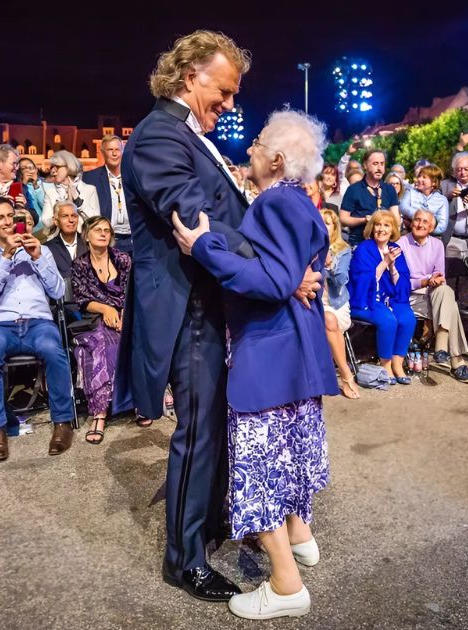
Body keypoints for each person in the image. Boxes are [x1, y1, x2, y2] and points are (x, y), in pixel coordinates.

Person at [113, 30, 282, 605]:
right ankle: (184, 561)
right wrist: (272, 254)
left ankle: (210, 528)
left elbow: (223, 210)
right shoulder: (159, 133)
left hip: (211, 302)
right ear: (191, 77)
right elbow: (192, 217)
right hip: (188, 309)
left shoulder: (187, 133)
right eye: (226, 91)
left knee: (214, 426)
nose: (231, 105)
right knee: (199, 431)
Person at [170, 109, 337, 620]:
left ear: (278, 159)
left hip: (270, 353)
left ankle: (286, 586)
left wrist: (204, 249)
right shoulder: (293, 201)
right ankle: (299, 535)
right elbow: (298, 273)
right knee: (287, 455)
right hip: (289, 350)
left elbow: (273, 280)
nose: (250, 150)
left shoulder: (277, 202)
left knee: (261, 468)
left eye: (259, 143)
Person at [0, 197, 76, 459]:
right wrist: (6, 256)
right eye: (1, 218)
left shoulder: (41, 249)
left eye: (11, 216)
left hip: (38, 322)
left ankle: (62, 423)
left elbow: (59, 291)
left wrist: (37, 257)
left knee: (53, 349)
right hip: (0, 325)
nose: (8, 222)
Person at [70, 215, 133, 444]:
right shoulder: (80, 264)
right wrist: (106, 308)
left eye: (107, 230)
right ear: (87, 235)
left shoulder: (123, 259)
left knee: (133, 338)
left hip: (125, 315)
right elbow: (82, 299)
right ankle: (100, 413)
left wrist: (125, 312)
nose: (104, 233)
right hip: (94, 318)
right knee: (101, 343)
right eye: (98, 230)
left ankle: (138, 402)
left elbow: (131, 291)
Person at [398, 209, 468, 383]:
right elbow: (399, 281)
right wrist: (424, 282)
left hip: (433, 293)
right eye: (417, 220)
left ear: (432, 227)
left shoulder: (437, 244)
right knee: (451, 306)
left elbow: (440, 274)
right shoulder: (402, 243)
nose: (419, 224)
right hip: (409, 295)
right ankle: (456, 361)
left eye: (425, 222)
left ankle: (442, 350)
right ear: (411, 222)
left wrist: (436, 279)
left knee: (445, 290)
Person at [349, 211, 415, 384]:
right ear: (372, 227)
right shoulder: (364, 248)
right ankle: (385, 364)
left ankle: (397, 364)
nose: (381, 229)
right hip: (366, 299)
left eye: (386, 225)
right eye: (378, 224)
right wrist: (384, 262)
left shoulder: (396, 249)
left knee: (407, 318)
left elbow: (402, 283)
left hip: (390, 297)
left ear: (393, 229)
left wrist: (392, 267)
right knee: (388, 320)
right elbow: (361, 281)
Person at [319, 208, 359, 398]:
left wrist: (329, 264)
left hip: (335, 304)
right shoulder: (305, 247)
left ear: (334, 227)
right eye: (319, 221)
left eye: (327, 222)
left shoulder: (343, 251)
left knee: (330, 320)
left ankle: (345, 375)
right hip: (311, 303)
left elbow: (341, 280)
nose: (322, 225)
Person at [440, 151, 468, 309]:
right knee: (451, 275)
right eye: (459, 169)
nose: (462, 172)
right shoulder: (445, 186)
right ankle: (449, 308)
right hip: (452, 238)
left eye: (466, 169)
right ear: (453, 171)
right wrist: (449, 197)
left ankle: (466, 310)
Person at [339, 150, 400, 246]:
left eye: (382, 164)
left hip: (384, 244)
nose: (379, 168)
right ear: (365, 165)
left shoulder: (390, 189)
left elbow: (396, 218)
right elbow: (343, 218)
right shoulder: (353, 189)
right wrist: (364, 220)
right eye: (375, 164)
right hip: (359, 243)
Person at [82, 135, 132, 244]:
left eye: (117, 150)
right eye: (110, 150)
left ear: (122, 152)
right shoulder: (90, 178)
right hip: (106, 240)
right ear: (103, 152)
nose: (114, 153)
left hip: (133, 239)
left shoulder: (133, 176)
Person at [42, 150, 100, 229]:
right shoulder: (50, 191)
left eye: (56, 167)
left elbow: (95, 220)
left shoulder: (89, 190)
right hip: (58, 239)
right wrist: (61, 212)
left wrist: (77, 200)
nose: (52, 171)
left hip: (83, 239)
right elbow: (46, 222)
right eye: (51, 167)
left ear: (69, 166)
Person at [399, 164, 449, 234]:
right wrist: (421, 216)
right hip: (409, 234)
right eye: (419, 176)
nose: (419, 179)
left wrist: (423, 229)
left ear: (434, 182)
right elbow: (403, 207)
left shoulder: (442, 200)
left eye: (424, 177)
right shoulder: (410, 192)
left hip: (431, 238)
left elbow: (442, 226)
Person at [43, 201, 87, 280]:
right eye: (65, 216)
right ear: (56, 221)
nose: (71, 220)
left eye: (74, 216)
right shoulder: (47, 249)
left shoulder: (89, 243)